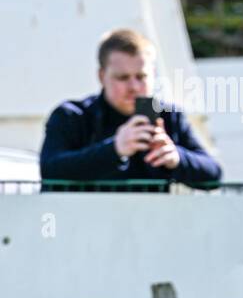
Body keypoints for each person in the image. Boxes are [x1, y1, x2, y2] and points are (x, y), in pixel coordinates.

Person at [40, 29, 222, 188]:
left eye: (141, 76)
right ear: (102, 76)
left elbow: (213, 173)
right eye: (123, 77)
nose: (134, 87)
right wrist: (114, 149)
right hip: (87, 224)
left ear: (153, 76)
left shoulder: (169, 116)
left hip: (153, 224)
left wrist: (177, 158)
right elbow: (50, 169)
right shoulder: (71, 115)